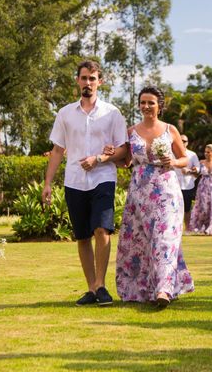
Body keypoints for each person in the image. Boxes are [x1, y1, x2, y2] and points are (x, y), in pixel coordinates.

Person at [42, 60, 127, 307]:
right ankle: (91, 288)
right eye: (84, 78)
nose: (88, 83)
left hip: (103, 178)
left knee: (102, 230)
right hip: (74, 181)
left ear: (100, 82)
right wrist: (47, 184)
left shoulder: (112, 113)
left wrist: (100, 158)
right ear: (77, 81)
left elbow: (123, 149)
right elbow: (58, 150)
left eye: (92, 78)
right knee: (82, 237)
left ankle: (101, 284)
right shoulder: (65, 113)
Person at [114, 86, 194, 308]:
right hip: (139, 194)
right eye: (143, 102)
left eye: (151, 102)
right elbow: (126, 162)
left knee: (165, 239)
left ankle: (164, 290)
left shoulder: (170, 130)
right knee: (140, 242)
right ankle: (141, 288)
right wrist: (112, 155)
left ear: (160, 105)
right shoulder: (131, 132)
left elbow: (185, 159)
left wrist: (173, 162)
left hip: (166, 192)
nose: (146, 106)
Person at [187, 144, 212, 235]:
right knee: (204, 208)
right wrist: (192, 171)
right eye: (205, 152)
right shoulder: (201, 162)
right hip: (203, 187)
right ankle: (203, 227)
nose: (206, 154)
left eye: (208, 152)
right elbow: (197, 175)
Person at [174, 134, 199, 228]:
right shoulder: (172, 153)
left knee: (187, 209)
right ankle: (175, 229)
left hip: (188, 185)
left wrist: (189, 170)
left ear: (187, 143)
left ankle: (188, 228)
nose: (182, 142)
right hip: (174, 185)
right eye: (180, 140)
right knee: (174, 208)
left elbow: (198, 168)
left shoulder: (192, 154)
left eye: (184, 141)